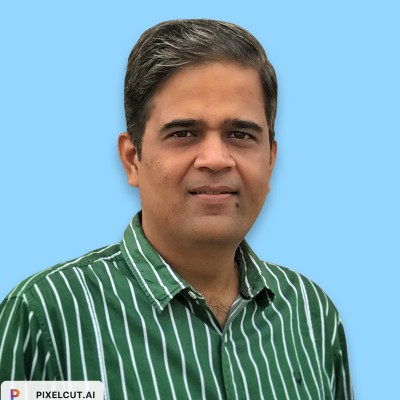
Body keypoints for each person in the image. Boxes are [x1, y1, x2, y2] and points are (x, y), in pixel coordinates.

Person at [0, 19, 353, 399]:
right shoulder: (46, 316)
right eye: (183, 133)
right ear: (132, 159)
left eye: (240, 134)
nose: (216, 159)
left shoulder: (311, 315)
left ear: (270, 159)